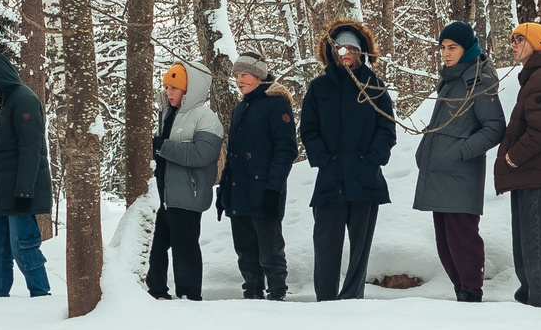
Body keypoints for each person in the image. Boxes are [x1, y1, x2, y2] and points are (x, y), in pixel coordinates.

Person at [299, 21, 399, 301]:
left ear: (361, 52)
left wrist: (371, 160)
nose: (345, 54)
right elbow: (308, 129)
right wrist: (323, 159)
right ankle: (326, 300)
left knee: (360, 249)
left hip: (364, 180)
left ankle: (353, 300)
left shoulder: (374, 86)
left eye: (352, 49)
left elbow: (386, 129)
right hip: (330, 180)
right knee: (325, 246)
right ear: (331, 52)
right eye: (340, 48)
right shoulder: (318, 88)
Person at [412, 21, 507, 302]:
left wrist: (461, 151)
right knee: (445, 242)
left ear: (467, 48)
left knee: (463, 240)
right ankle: (461, 292)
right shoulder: (450, 79)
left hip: (461, 175)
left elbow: (495, 128)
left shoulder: (479, 80)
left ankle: (471, 293)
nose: (446, 53)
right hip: (439, 173)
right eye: (443, 47)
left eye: (452, 47)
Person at [0, 47, 53, 298]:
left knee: (24, 247)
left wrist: (24, 190)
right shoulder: (4, 101)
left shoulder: (23, 99)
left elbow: (31, 148)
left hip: (20, 193)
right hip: (4, 193)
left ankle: (40, 295)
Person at [498, 22, 541, 307]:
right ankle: (530, 302)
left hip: (536, 177)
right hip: (528, 177)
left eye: (519, 39)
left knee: (538, 246)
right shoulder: (533, 77)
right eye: (512, 39)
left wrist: (513, 157)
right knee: (527, 245)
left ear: (537, 43)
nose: (513, 44)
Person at [218, 55, 295, 299]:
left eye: (244, 75)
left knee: (269, 248)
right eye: (236, 76)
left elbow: (286, 150)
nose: (239, 81)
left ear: (259, 76)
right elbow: (232, 153)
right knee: (244, 249)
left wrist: (274, 189)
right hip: (239, 191)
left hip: (264, 190)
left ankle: (277, 291)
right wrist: (224, 189)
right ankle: (251, 292)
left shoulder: (276, 104)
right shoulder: (240, 108)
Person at [149, 61, 223, 300]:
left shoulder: (206, 118)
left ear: (189, 89)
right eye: (167, 87)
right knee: (156, 246)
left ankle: (189, 297)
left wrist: (162, 147)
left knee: (185, 248)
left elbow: (203, 154)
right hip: (162, 194)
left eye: (174, 87)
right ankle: (156, 292)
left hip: (188, 194)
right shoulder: (167, 114)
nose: (169, 92)